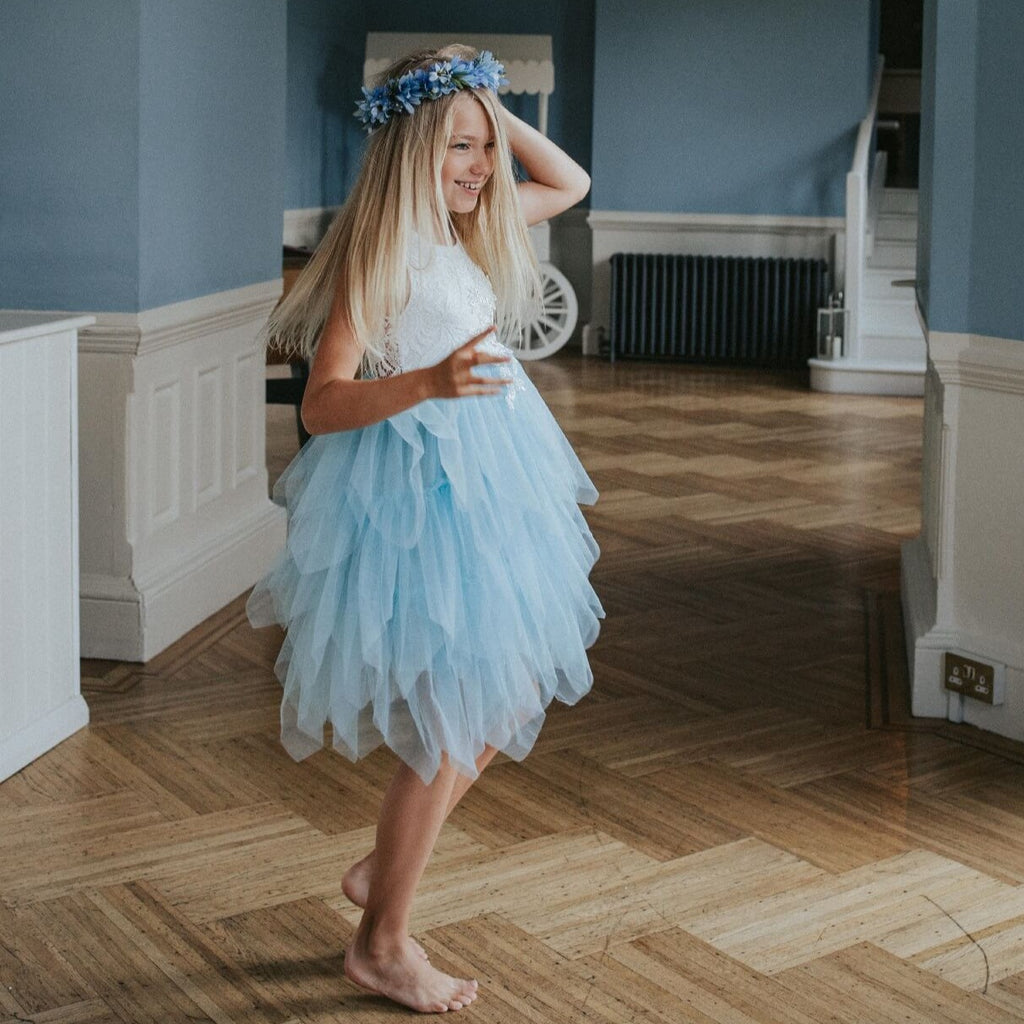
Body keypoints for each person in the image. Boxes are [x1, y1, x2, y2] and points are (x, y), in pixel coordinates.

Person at [247, 44, 603, 1014]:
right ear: (410, 148)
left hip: (497, 474)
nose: (481, 168)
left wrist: (479, 103)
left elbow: (566, 181)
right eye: (456, 148)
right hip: (420, 496)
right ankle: (381, 941)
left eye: (486, 149)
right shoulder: (382, 253)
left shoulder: (467, 228)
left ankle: (381, 869)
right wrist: (429, 383)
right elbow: (321, 405)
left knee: (516, 681)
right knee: (452, 717)